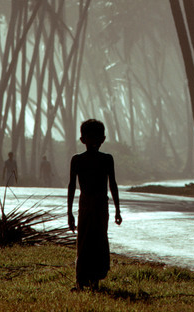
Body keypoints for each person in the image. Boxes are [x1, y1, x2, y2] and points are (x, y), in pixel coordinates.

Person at [67, 119, 122, 291]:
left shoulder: (107, 159)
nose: (93, 142)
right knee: (83, 241)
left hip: (100, 206)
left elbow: (112, 184)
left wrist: (118, 210)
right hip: (85, 206)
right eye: (89, 138)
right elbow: (71, 186)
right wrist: (69, 212)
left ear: (103, 139)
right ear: (82, 140)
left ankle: (95, 280)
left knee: (99, 240)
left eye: (96, 138)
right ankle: (80, 280)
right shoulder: (77, 160)